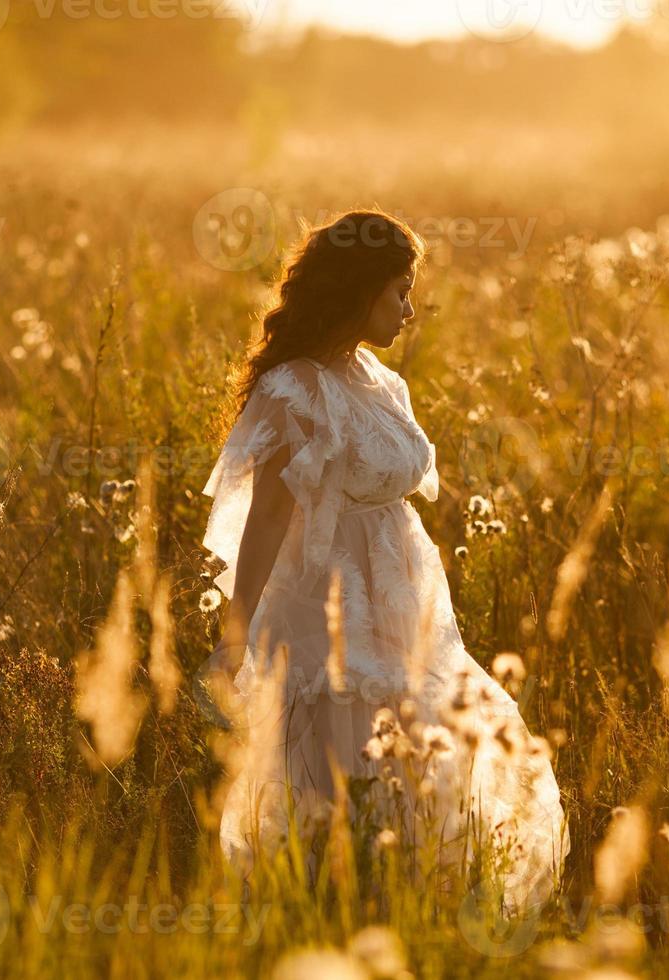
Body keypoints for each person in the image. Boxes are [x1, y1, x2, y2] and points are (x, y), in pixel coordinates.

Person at [199, 209, 568, 912]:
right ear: (356, 290)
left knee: (425, 737)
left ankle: (411, 895)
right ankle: (336, 899)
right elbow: (271, 514)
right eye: (399, 291)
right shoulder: (297, 389)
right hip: (327, 599)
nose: (409, 308)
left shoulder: (380, 381)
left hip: (405, 594)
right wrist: (236, 626)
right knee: (346, 746)